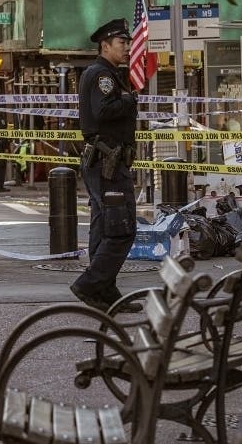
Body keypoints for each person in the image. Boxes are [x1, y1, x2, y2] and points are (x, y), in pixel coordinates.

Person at [70, 18, 142, 314]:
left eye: (127, 43)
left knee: (104, 227)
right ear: (105, 45)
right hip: (107, 164)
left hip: (104, 163)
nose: (127, 48)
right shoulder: (102, 74)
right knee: (121, 228)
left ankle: (105, 290)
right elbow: (103, 111)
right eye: (122, 43)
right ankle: (90, 284)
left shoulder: (106, 73)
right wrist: (130, 100)